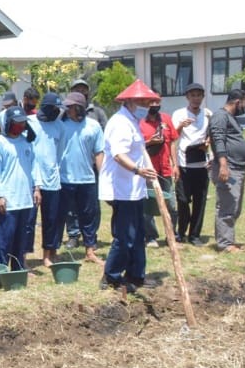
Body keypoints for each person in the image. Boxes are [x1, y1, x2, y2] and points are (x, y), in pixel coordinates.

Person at [100, 80, 159, 292]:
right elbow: (118, 154)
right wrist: (137, 170)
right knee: (125, 236)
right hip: (121, 188)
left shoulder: (133, 121)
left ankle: (136, 275)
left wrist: (146, 172)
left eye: (148, 102)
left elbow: (139, 151)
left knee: (138, 234)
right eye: (143, 102)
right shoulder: (120, 123)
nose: (146, 106)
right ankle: (111, 276)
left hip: (134, 189)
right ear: (130, 101)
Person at [0, 107, 39, 271]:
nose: (20, 126)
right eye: (17, 123)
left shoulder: (27, 143)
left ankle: (17, 269)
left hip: (25, 198)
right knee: (5, 238)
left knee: (20, 239)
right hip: (8, 199)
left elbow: (34, 167)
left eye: (23, 123)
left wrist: (36, 188)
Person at [59, 91, 105, 262]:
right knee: (62, 215)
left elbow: (99, 152)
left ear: (79, 108)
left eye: (70, 107)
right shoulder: (61, 125)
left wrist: (103, 176)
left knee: (89, 216)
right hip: (64, 178)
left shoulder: (93, 126)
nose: (67, 109)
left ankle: (90, 250)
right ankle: (54, 251)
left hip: (87, 179)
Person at [209, 89, 245, 254]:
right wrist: (223, 165)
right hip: (228, 169)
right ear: (238, 102)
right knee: (227, 203)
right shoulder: (220, 116)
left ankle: (228, 240)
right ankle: (225, 244)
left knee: (234, 204)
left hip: (236, 168)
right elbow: (218, 140)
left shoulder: (230, 117)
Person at [172, 82, 212, 246]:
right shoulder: (179, 114)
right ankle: (181, 231)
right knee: (182, 200)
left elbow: (211, 134)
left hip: (201, 163)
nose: (196, 98)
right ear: (187, 97)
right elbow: (173, 137)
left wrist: (208, 142)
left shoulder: (207, 114)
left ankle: (194, 235)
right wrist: (181, 126)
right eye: (193, 95)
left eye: (199, 95)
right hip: (183, 164)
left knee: (200, 201)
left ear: (203, 97)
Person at [29, 92, 64, 266]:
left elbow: (60, 153)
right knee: (29, 220)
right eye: (54, 108)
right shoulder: (31, 123)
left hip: (52, 179)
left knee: (51, 219)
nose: (57, 112)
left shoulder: (59, 126)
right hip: (32, 178)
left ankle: (48, 254)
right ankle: (24, 254)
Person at [140, 98, 178, 248]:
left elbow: (172, 142)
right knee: (148, 205)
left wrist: (175, 164)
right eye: (151, 102)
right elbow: (136, 146)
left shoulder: (166, 119)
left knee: (172, 204)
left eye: (157, 102)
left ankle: (171, 235)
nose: (154, 105)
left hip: (166, 168)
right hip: (148, 169)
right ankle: (150, 237)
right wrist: (150, 142)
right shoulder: (140, 122)